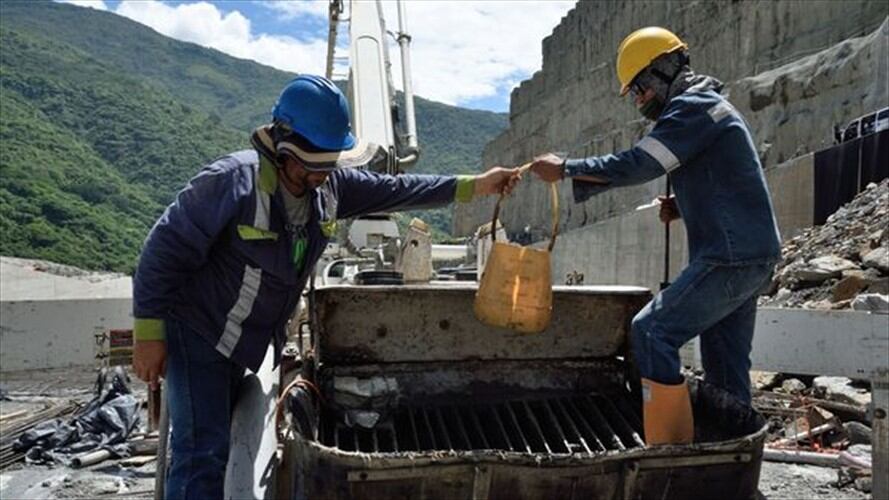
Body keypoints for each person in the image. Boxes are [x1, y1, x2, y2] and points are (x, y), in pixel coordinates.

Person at [131, 74, 519, 498]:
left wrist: (479, 184)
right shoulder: (231, 181)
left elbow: (400, 189)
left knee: (216, 442)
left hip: (245, 340)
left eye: (330, 161)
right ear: (283, 145)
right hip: (199, 334)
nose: (322, 172)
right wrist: (149, 335)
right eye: (313, 162)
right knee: (200, 453)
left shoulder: (332, 186)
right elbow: (161, 252)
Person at [529, 27, 781, 445]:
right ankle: (729, 457)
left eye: (640, 87)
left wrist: (568, 167)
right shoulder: (708, 107)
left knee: (652, 331)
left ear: (664, 69)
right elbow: (731, 178)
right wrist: (684, 206)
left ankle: (671, 452)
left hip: (729, 256)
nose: (638, 98)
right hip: (749, 253)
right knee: (724, 366)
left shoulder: (693, 107)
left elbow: (641, 164)